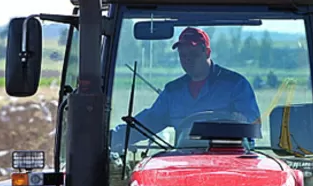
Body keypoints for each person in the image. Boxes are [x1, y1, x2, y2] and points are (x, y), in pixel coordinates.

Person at [110, 27, 261, 152]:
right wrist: (112, 137)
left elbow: (251, 130)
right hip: (184, 164)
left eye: (193, 54)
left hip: (228, 164)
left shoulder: (235, 85)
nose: (187, 59)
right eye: (183, 55)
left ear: (207, 52)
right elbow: (149, 121)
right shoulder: (173, 91)